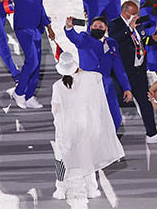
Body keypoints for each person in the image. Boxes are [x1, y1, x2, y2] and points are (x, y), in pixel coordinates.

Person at [50, 51, 125, 201]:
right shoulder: (89, 78)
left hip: (67, 127)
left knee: (62, 158)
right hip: (85, 125)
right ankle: (92, 189)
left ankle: (60, 189)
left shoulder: (58, 86)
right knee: (86, 157)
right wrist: (81, 71)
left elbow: (55, 109)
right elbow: (99, 77)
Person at [65, 16, 132, 130]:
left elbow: (118, 67)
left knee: (115, 117)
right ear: (90, 27)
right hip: (87, 83)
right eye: (95, 26)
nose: (97, 28)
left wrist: (126, 88)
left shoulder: (112, 43)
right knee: (91, 116)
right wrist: (69, 27)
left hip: (106, 84)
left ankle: (110, 141)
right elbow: (74, 37)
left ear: (106, 29)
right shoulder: (84, 38)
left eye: (100, 27)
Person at [108, 1, 157, 143]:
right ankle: (109, 136)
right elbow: (115, 40)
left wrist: (154, 39)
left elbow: (142, 40)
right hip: (122, 73)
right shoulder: (114, 24)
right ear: (125, 13)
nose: (136, 16)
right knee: (114, 104)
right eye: (133, 14)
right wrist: (129, 29)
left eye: (137, 13)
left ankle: (152, 133)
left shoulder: (138, 24)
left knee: (145, 101)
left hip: (139, 70)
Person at [10, 0, 55, 109]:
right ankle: (19, 92)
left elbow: (39, 5)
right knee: (32, 60)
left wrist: (48, 26)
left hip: (36, 28)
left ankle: (29, 96)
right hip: (23, 28)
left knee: (37, 65)